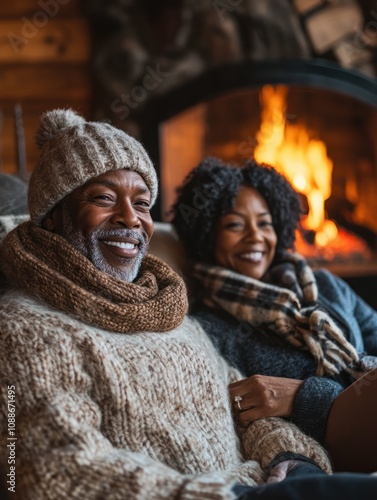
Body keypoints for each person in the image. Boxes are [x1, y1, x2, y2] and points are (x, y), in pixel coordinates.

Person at [0, 108, 339, 500]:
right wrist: (228, 494)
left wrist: (293, 459)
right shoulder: (24, 330)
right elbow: (55, 469)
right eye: (105, 198)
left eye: (142, 203)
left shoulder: (171, 313)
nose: (130, 218)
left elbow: (246, 411)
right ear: (53, 217)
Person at [171, 157, 377, 448]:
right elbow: (248, 424)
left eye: (265, 223)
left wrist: (302, 397)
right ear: (207, 236)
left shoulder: (325, 285)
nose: (255, 236)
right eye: (235, 225)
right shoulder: (208, 330)